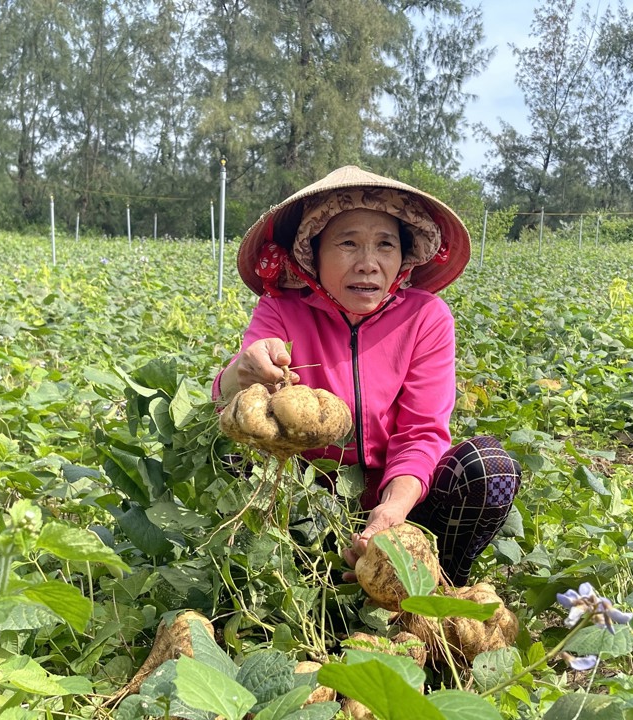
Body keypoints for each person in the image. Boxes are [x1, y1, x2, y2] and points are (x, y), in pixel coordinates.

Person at [212, 165, 521, 586]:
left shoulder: (426, 317)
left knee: (489, 469)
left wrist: (392, 510)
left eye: (385, 245)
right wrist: (242, 372)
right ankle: (286, 577)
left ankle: (440, 585)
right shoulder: (281, 310)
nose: (369, 264)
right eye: (348, 243)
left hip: (398, 500)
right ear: (311, 252)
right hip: (303, 499)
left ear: (404, 256)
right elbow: (231, 404)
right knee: (228, 455)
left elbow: (421, 432)